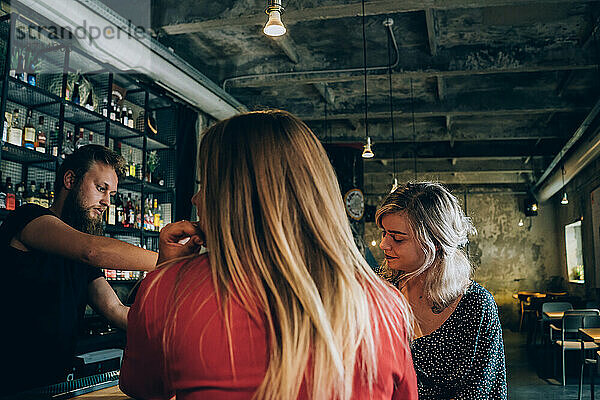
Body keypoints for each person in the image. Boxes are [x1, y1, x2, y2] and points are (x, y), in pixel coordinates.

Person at [120, 110, 418, 399]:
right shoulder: (387, 304)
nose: (196, 198)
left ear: (232, 198)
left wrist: (166, 276)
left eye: (205, 185)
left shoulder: (169, 289)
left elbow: (143, 387)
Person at [0, 144, 158, 394]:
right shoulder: (27, 218)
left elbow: (115, 309)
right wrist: (174, 261)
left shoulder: (80, 258)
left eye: (111, 194)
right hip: (10, 384)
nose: (107, 201)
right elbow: (92, 250)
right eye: (100, 189)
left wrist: (172, 330)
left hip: (56, 385)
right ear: (70, 179)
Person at [374, 182, 507, 400]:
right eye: (384, 233)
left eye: (397, 238)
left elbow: (483, 391)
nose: (384, 245)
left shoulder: (476, 304)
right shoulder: (383, 292)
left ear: (435, 242)